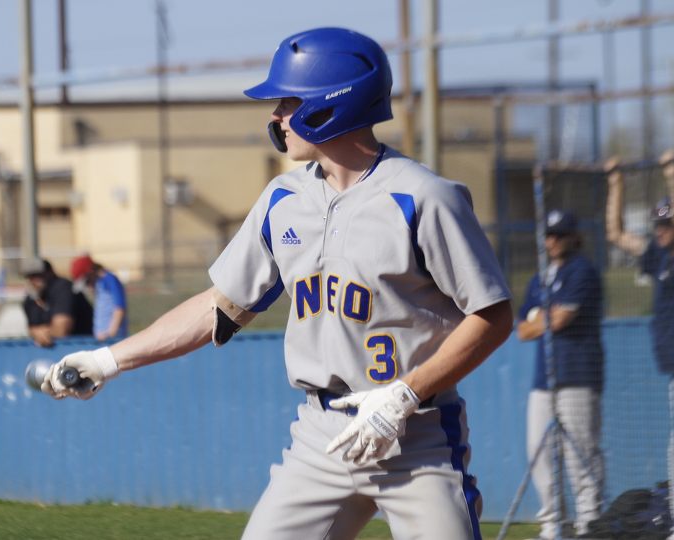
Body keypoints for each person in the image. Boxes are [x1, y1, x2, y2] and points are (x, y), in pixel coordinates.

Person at [40, 27, 513, 540]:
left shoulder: (423, 197)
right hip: (321, 435)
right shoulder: (282, 199)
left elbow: (492, 315)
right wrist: (108, 360)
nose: (275, 116)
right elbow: (218, 308)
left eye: (287, 101)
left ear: (332, 103)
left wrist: (405, 394)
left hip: (414, 435)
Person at [606, 151, 674, 539]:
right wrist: (616, 184)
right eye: (658, 225)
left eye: (667, 225)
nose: (661, 230)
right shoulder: (658, 256)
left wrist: (673, 175)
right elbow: (616, 235)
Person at [516, 209, 605, 539]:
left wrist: (543, 318)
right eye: (549, 235)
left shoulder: (583, 271)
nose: (552, 241)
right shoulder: (540, 277)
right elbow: (523, 330)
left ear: (572, 237)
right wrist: (543, 318)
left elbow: (562, 318)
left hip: (578, 376)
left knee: (580, 455)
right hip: (544, 380)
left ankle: (589, 525)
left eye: (559, 235)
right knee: (539, 454)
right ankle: (554, 526)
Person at [21, 257, 94, 347]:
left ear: (50, 273)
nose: (35, 280)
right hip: (55, 353)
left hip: (85, 348)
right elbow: (32, 328)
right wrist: (37, 332)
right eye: (30, 276)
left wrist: (40, 332)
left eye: (39, 275)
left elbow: (61, 330)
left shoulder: (63, 287)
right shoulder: (31, 299)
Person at [70, 254, 129, 341]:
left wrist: (111, 333)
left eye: (87, 280)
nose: (88, 284)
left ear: (91, 272)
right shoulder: (99, 284)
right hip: (101, 337)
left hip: (112, 338)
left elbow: (119, 308)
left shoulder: (110, 280)